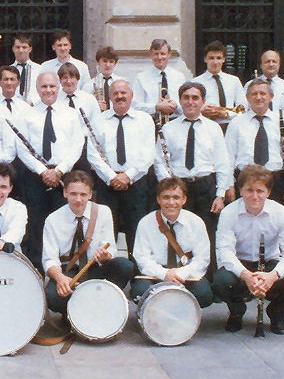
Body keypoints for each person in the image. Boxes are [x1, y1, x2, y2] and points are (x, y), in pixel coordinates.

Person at [213, 166, 284, 335]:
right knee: (220, 281)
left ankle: (277, 315)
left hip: (270, 264)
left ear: (268, 192)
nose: (255, 196)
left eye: (260, 191)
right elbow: (225, 252)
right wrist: (246, 275)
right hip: (241, 265)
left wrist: (273, 276)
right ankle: (237, 312)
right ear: (240, 190)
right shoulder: (229, 212)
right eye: (249, 190)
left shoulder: (281, 213)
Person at [154, 81, 232, 273]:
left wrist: (220, 194)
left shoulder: (214, 129)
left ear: (203, 101)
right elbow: (159, 162)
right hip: (178, 186)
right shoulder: (168, 129)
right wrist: (170, 188)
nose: (190, 102)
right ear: (180, 100)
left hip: (206, 185)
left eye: (195, 98)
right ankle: (181, 274)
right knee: (180, 231)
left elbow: (222, 162)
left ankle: (209, 278)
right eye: (186, 98)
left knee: (207, 233)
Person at [42, 171, 133, 320]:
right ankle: (72, 314)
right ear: (65, 193)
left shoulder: (103, 212)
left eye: (83, 194)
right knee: (52, 295)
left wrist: (105, 256)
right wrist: (60, 279)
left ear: (90, 194)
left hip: (95, 268)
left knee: (124, 266)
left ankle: (102, 306)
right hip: (69, 271)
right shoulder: (53, 219)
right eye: (73, 194)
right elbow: (49, 259)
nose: (78, 199)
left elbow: (111, 249)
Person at [16, 71, 83, 269]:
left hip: (64, 175)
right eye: (44, 87)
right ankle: (37, 267)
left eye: (52, 86)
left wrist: (60, 170)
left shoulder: (71, 114)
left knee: (65, 221)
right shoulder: (26, 115)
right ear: (37, 89)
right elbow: (22, 148)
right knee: (36, 223)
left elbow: (77, 145)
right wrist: (43, 171)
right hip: (36, 176)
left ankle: (65, 266)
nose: (48, 90)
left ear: (59, 87)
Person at [86, 79, 155, 254]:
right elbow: (92, 154)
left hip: (136, 183)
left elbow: (148, 154)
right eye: (115, 93)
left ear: (131, 95)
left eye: (123, 92)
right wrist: (112, 177)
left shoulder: (145, 120)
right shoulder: (98, 120)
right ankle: (110, 274)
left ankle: (139, 275)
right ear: (110, 96)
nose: (120, 96)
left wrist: (127, 176)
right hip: (107, 184)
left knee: (137, 230)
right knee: (107, 232)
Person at [132, 178, 214, 308]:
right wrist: (164, 274)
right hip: (156, 274)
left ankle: (182, 315)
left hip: (184, 275)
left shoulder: (196, 222)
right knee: (139, 291)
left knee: (204, 294)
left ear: (184, 200)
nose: (171, 202)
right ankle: (156, 316)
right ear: (158, 199)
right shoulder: (146, 223)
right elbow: (142, 258)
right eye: (166, 197)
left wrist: (181, 273)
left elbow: (202, 259)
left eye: (176, 197)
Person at [225, 78, 284, 204]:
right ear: (247, 97)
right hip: (244, 179)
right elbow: (228, 157)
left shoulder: (283, 122)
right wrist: (229, 184)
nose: (258, 97)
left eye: (263, 93)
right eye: (254, 94)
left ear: (271, 96)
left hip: (275, 180)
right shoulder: (236, 123)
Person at [132, 38, 187, 126]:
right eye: (156, 54)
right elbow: (135, 106)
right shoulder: (141, 78)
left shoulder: (179, 77)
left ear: (169, 55)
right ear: (150, 55)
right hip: (151, 123)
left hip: (176, 122)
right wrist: (156, 107)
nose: (159, 57)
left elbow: (186, 103)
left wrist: (175, 105)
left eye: (163, 54)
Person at [194, 40, 247, 129]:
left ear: (224, 59)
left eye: (218, 58)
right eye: (211, 58)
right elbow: (191, 108)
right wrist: (202, 111)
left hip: (230, 126)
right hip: (205, 127)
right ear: (205, 59)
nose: (215, 62)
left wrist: (226, 114)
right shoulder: (196, 82)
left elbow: (243, 107)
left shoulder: (234, 80)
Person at [57, 62, 100, 172]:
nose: (68, 81)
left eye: (72, 77)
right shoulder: (55, 100)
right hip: (63, 146)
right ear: (60, 80)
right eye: (64, 78)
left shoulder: (89, 99)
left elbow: (97, 127)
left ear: (78, 79)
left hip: (85, 147)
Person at [250, 50, 284, 122]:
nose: (271, 64)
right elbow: (244, 109)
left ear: (279, 64)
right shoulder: (250, 85)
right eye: (267, 61)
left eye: (274, 61)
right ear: (261, 65)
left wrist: (281, 123)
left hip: (280, 129)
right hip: (257, 128)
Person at [90, 46, 124, 112]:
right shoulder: (89, 84)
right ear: (97, 62)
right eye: (104, 61)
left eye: (111, 62)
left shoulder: (122, 83)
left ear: (115, 64)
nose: (108, 65)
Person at [10, 33, 41, 104]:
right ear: (13, 49)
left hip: (34, 108)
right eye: (18, 47)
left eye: (24, 47)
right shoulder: (8, 71)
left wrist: (33, 102)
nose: (21, 50)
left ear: (30, 49)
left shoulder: (40, 69)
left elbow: (44, 89)